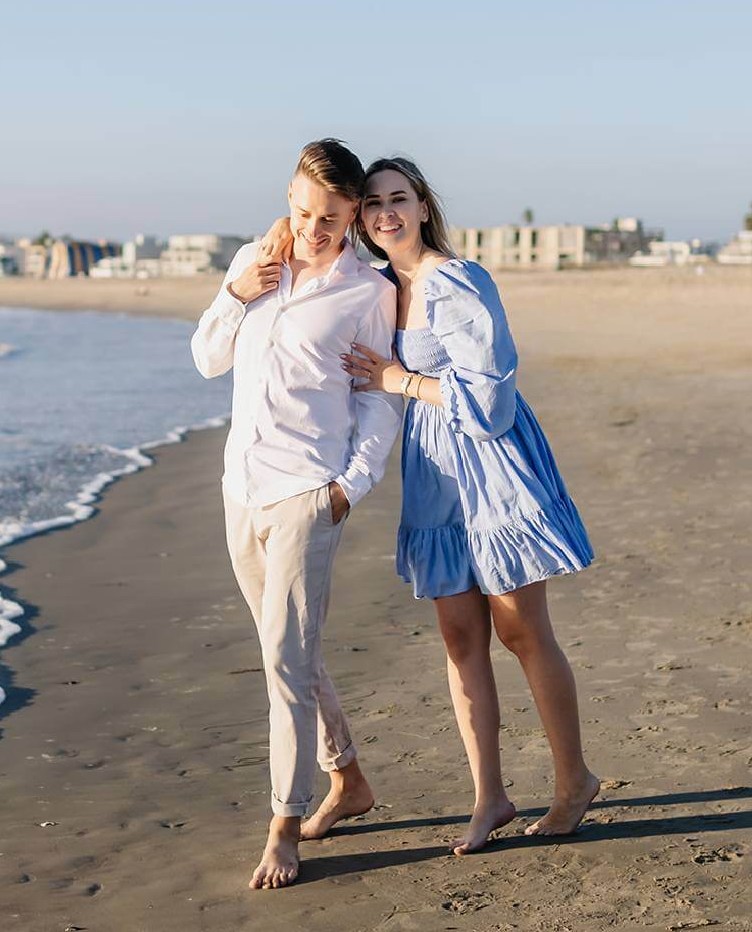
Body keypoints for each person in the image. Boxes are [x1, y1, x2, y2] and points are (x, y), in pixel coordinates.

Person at [259, 156, 598, 855]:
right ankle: (489, 798)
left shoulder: (456, 280)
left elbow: (492, 401)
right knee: (458, 638)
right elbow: (300, 255)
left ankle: (572, 784)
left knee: (521, 632)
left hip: (492, 466)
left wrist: (398, 378)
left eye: (398, 199)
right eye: (373, 203)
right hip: (433, 472)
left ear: (421, 206)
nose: (385, 213)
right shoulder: (382, 286)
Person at [191, 139, 403, 889]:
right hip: (238, 489)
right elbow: (206, 358)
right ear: (289, 200)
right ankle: (350, 780)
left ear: (352, 216)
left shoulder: (368, 291)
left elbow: (376, 399)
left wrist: (349, 485)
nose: (313, 229)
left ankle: (283, 825)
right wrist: (238, 292)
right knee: (291, 650)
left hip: (305, 495)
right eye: (303, 212)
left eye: (331, 217)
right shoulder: (254, 260)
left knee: (282, 664)